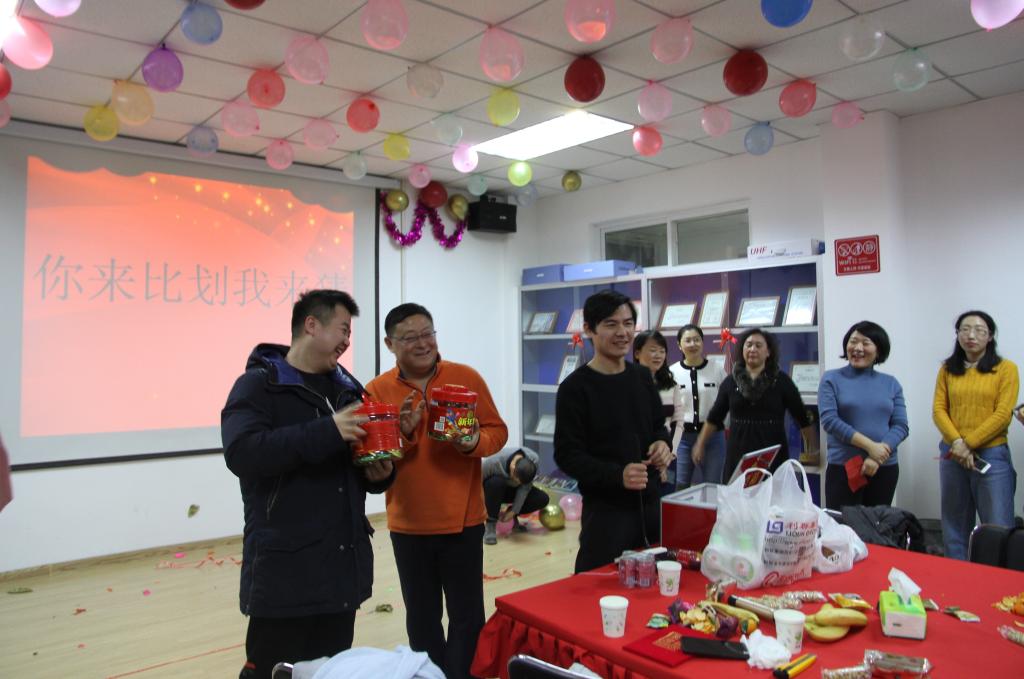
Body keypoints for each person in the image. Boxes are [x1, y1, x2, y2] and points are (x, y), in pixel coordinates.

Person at [221, 289, 395, 679]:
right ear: (311, 325)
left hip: (341, 570)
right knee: (273, 671)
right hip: (285, 572)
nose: (347, 340)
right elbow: (243, 453)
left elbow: (359, 465)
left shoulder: (348, 389)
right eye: (343, 329)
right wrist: (329, 430)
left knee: (331, 672)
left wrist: (380, 473)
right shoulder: (258, 386)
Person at [365, 303, 507, 679]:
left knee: (467, 617)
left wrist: (472, 442)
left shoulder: (466, 377)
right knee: (422, 618)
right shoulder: (377, 390)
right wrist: (404, 433)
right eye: (409, 337)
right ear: (389, 344)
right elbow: (374, 457)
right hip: (409, 524)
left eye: (427, 333)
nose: (422, 343)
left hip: (464, 521)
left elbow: (497, 431)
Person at [554, 290, 673, 574]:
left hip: (651, 505)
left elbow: (658, 426)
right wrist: (617, 475)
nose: (622, 332)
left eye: (628, 323)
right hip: (606, 513)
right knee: (597, 583)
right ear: (589, 329)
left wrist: (662, 444)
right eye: (611, 324)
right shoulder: (575, 388)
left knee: (653, 584)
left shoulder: (642, 377)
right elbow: (567, 455)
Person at [933, 310, 1019, 561]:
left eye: (979, 330)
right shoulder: (948, 369)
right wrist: (957, 443)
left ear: (990, 336)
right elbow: (939, 410)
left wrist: (968, 443)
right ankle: (957, 578)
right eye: (965, 329)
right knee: (954, 525)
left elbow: (1003, 414)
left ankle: (999, 581)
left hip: (991, 454)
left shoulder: (1006, 369)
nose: (971, 335)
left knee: (997, 526)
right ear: (957, 334)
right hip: (953, 452)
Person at [693, 328, 813, 482]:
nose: (752, 349)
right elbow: (714, 417)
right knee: (737, 494)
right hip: (738, 452)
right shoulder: (730, 381)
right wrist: (700, 444)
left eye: (758, 345)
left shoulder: (782, 381)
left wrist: (813, 449)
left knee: (772, 494)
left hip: (773, 453)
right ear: (742, 349)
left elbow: (801, 416)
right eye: (748, 345)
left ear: (768, 352)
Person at [819, 321, 909, 510]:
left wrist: (877, 456)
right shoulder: (831, 379)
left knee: (877, 524)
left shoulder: (891, 383)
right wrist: (871, 447)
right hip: (844, 467)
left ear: (878, 349)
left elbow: (901, 426)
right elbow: (830, 421)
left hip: (883, 467)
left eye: (865, 343)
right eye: (853, 341)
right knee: (842, 525)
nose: (858, 348)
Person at [668, 324, 728, 488]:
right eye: (687, 340)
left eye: (697, 340)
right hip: (682, 439)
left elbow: (726, 402)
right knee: (680, 485)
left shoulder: (716, 369)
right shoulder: (672, 372)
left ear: (702, 342)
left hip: (713, 437)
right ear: (679, 345)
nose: (693, 344)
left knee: (712, 486)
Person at [632, 330, 683, 494]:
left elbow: (678, 421)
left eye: (662, 351)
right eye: (653, 350)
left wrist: (670, 453)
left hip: (668, 456)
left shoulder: (671, 385)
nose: (658, 355)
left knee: (667, 498)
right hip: (641, 459)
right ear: (637, 353)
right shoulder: (628, 385)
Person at [481, 446, 550, 544]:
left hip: (512, 491)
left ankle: (512, 517)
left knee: (542, 498)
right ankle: (490, 526)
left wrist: (514, 511)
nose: (517, 483)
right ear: (513, 467)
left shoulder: (533, 460)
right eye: (516, 480)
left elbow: (524, 488)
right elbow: (477, 484)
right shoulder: (492, 463)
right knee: (496, 482)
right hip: (492, 491)